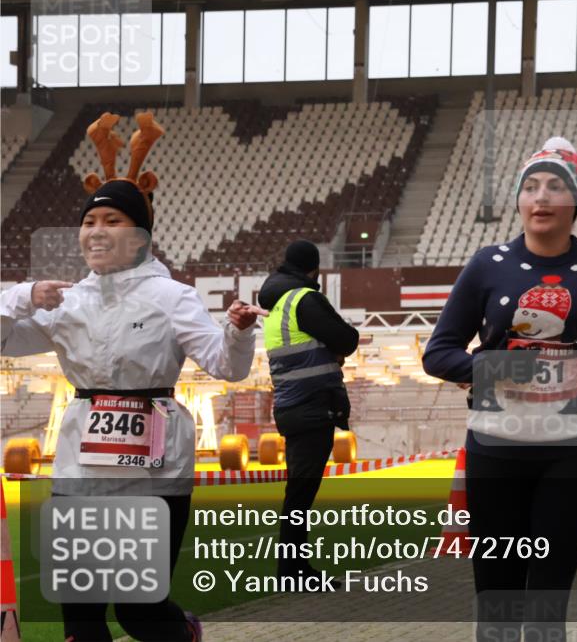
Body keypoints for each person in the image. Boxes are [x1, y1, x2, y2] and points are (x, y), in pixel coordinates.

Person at [0, 112, 264, 641]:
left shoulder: (173, 297)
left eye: (112, 222)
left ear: (141, 234)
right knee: (80, 617)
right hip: (80, 465)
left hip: (154, 467)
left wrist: (236, 332)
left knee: (139, 612)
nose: (96, 232)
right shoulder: (64, 300)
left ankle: (183, 631)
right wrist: (24, 297)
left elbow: (226, 368)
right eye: (90, 223)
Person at [422, 137, 577, 640]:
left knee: (548, 598)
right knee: (497, 595)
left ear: (576, 201)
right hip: (496, 446)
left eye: (556, 186)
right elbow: (439, 352)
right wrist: (494, 370)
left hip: (575, 448)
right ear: (519, 201)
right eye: (531, 186)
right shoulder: (486, 264)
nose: (542, 197)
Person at [259, 240, 360, 582]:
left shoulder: (276, 306)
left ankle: (296, 569)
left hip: (292, 405)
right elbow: (346, 339)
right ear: (314, 270)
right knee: (300, 496)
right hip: (312, 407)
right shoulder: (304, 299)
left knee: (299, 494)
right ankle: (292, 571)